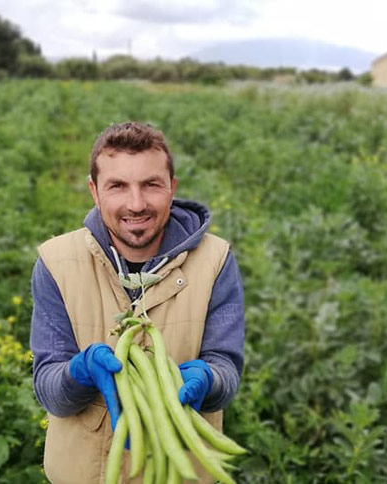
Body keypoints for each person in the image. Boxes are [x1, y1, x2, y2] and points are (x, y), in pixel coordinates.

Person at [29, 122, 245, 483]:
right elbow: (51, 391)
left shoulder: (216, 260)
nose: (136, 204)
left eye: (151, 184)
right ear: (94, 192)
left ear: (172, 188)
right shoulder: (56, 262)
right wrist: (78, 374)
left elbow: (226, 368)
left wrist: (210, 380)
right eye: (118, 186)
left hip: (184, 474)